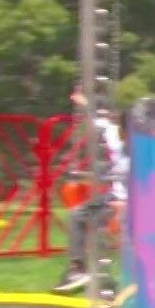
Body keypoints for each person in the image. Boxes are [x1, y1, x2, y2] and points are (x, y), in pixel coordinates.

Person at [54, 86, 128, 294]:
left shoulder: (142, 149)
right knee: (78, 215)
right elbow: (98, 121)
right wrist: (84, 102)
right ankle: (78, 269)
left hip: (133, 201)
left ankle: (116, 281)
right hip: (114, 197)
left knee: (114, 232)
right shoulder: (115, 136)